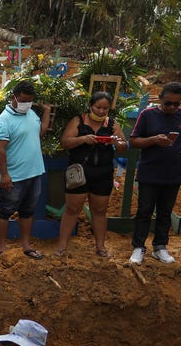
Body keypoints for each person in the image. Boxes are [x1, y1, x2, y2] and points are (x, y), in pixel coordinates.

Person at [128, 82, 181, 264]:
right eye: (168, 103)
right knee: (144, 211)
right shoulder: (147, 115)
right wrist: (153, 140)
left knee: (165, 212)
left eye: (176, 104)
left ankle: (160, 247)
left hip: (173, 172)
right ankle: (138, 247)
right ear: (160, 99)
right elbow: (134, 141)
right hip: (149, 171)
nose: (172, 108)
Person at [55, 91, 129, 258]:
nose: (101, 111)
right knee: (72, 209)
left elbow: (123, 146)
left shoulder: (112, 124)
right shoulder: (78, 121)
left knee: (100, 211)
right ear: (90, 106)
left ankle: (100, 247)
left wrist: (117, 142)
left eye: (105, 108)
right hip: (79, 173)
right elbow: (65, 142)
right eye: (98, 107)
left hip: (103, 173)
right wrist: (83, 139)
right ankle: (62, 246)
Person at [0, 79, 52, 259]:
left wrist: (47, 112)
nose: (27, 104)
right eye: (24, 100)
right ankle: (1, 248)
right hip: (14, 176)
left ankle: (26, 246)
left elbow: (39, 132)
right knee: (4, 211)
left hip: (34, 173)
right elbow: (0, 150)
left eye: (30, 101)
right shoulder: (3, 121)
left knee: (27, 211)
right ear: (14, 97)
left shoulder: (31, 113)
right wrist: (4, 175)